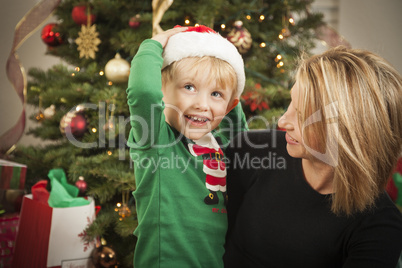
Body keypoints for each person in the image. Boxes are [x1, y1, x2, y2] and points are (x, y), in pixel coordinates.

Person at [223, 46, 402, 267]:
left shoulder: (379, 226)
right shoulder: (252, 151)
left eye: (301, 115)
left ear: (350, 132)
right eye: (291, 103)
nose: (282, 122)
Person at [126, 25, 248, 267]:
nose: (202, 104)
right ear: (162, 91)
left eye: (215, 94)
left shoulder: (221, 147)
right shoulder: (156, 140)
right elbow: (143, 92)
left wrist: (228, 91)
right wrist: (154, 43)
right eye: (189, 87)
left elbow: (241, 136)